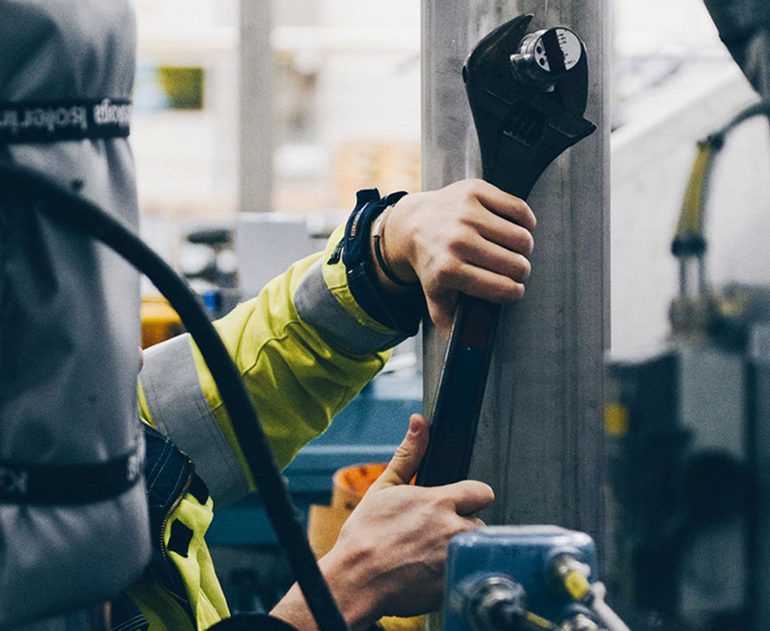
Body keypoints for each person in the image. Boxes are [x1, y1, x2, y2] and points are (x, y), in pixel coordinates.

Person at [125, 179, 537, 631]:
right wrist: (352, 583)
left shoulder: (83, 422)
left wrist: (385, 245)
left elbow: (258, 365)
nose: (134, 354)